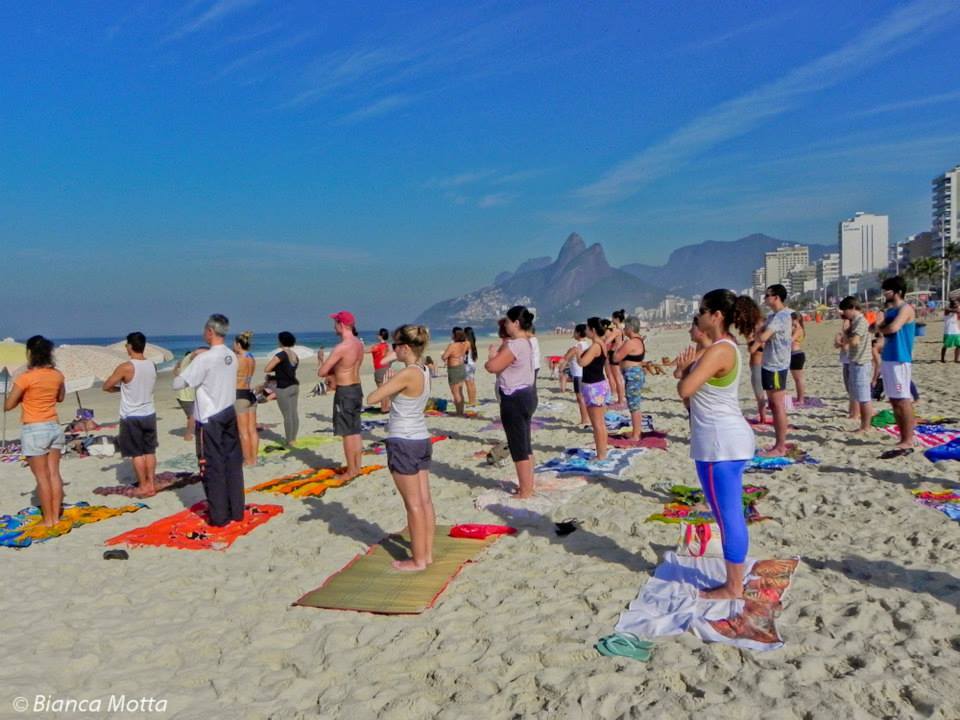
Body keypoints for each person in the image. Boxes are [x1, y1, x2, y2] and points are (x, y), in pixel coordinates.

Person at [675, 289, 762, 600]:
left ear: (717, 316)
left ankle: (733, 586)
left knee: (727, 517)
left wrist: (686, 372)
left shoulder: (720, 350)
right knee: (727, 514)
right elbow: (692, 401)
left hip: (720, 444)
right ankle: (734, 581)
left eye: (701, 311)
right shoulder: (722, 349)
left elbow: (685, 388)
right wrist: (686, 373)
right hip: (723, 440)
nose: (697, 316)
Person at [367, 324, 435, 571]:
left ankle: (418, 560)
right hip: (420, 438)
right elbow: (388, 360)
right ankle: (425, 554)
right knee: (424, 500)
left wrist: (388, 380)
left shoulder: (407, 374)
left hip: (403, 440)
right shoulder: (424, 368)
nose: (393, 350)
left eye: (397, 346)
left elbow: (373, 399)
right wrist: (396, 355)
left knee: (414, 504)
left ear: (406, 347)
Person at [172, 314, 245, 526]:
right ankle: (236, 510)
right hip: (228, 411)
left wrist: (190, 360)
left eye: (205, 330)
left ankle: (220, 516)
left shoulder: (205, 358)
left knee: (213, 466)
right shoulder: (231, 355)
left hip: (211, 417)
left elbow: (178, 383)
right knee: (232, 463)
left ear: (210, 332)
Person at [4, 336, 65, 527]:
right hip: (54, 425)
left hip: (34, 427)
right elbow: (60, 397)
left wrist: (24, 397)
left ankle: (48, 520)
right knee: (54, 474)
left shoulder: (26, 378)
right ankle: (55, 516)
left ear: (30, 353)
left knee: (42, 477)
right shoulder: (57, 375)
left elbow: (8, 405)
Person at [485, 306, 538, 498]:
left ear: (516, 323)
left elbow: (493, 367)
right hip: (527, 393)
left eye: (507, 321)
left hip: (515, 396)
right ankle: (528, 485)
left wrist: (491, 357)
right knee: (525, 442)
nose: (505, 325)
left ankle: (526, 490)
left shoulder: (516, 344)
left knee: (518, 446)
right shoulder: (528, 342)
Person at [103, 331, 158, 497]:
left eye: (127, 344)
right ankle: (151, 482)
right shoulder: (151, 365)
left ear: (130, 346)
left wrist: (121, 389)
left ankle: (143, 485)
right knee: (149, 451)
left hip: (132, 415)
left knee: (136, 453)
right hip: (149, 412)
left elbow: (106, 386)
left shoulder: (126, 367)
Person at [319, 311, 365, 480]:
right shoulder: (359, 344)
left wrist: (330, 370)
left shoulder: (342, 346)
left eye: (335, 323)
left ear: (341, 324)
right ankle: (356, 467)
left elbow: (322, 371)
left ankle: (351, 470)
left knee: (347, 432)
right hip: (356, 387)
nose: (333, 326)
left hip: (345, 390)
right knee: (355, 430)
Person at [877, 276, 917, 457]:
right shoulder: (890, 310)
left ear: (898, 292)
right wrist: (880, 325)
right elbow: (876, 328)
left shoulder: (906, 308)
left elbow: (892, 328)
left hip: (900, 359)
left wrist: (881, 328)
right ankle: (903, 437)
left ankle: (908, 439)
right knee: (894, 400)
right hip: (888, 358)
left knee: (903, 400)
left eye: (888, 290)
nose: (885, 293)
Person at [750, 284, 791, 456]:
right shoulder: (774, 316)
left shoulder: (780, 317)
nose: (765, 299)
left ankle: (780, 446)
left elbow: (762, 337)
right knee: (775, 405)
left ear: (776, 297)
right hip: (772, 363)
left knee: (776, 405)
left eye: (767, 296)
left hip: (775, 365)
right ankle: (779, 443)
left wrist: (757, 340)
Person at [839, 297, 874, 432]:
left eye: (845, 310)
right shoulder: (856, 321)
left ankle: (866, 426)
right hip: (855, 360)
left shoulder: (860, 321)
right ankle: (863, 424)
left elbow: (855, 341)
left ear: (853, 308)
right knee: (858, 394)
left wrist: (845, 340)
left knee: (864, 396)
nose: (845, 314)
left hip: (861, 362)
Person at [578, 317, 610, 461]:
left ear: (593, 330)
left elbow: (583, 363)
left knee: (597, 423)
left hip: (593, 386)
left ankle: (601, 454)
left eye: (587, 328)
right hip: (599, 384)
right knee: (600, 423)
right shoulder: (601, 344)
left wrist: (577, 353)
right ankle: (603, 452)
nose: (585, 331)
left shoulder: (596, 346)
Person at [614, 316, 647, 441]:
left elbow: (616, 357)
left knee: (634, 405)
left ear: (630, 327)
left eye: (625, 327)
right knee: (634, 404)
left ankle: (636, 434)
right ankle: (636, 431)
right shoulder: (638, 340)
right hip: (635, 374)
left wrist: (618, 345)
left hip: (633, 374)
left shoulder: (631, 342)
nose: (624, 329)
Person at [264, 332, 300, 445]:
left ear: (281, 341)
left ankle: (289, 440)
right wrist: (278, 372)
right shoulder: (294, 355)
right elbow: (287, 371)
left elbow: (267, 368)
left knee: (287, 415)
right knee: (293, 413)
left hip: (283, 387)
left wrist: (275, 371)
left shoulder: (281, 355)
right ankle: (293, 438)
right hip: (294, 385)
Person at [233, 331, 258, 466]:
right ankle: (254, 458)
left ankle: (247, 459)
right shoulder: (251, 358)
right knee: (252, 430)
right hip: (250, 393)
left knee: (243, 432)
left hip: (240, 394)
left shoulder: (237, 359)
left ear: (238, 344)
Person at [561, 324, 590, 426]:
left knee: (580, 398)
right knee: (585, 397)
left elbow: (565, 358)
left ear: (578, 333)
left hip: (578, 375)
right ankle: (587, 418)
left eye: (574, 332)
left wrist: (561, 369)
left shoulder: (576, 347)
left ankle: (585, 419)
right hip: (586, 374)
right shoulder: (587, 345)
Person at [442, 328, 470, 416]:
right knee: (460, 391)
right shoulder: (467, 343)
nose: (451, 335)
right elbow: (466, 352)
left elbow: (444, 357)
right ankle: (460, 411)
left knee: (455, 392)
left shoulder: (452, 345)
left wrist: (444, 354)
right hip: (462, 367)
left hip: (454, 369)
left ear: (455, 335)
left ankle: (459, 413)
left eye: (452, 334)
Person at [175, 350, 198, 441]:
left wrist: (177, 366)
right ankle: (188, 435)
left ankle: (192, 431)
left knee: (191, 416)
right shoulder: (187, 366)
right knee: (192, 416)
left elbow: (175, 374)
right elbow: (193, 355)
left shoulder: (184, 368)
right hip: (186, 397)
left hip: (183, 396)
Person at [605, 311, 626, 407]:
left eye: (613, 318)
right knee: (618, 377)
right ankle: (620, 399)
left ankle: (620, 400)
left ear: (616, 319)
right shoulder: (622, 329)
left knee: (617, 377)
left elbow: (607, 341)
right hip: (619, 352)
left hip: (615, 353)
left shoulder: (617, 330)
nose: (611, 320)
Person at [370, 329, 393, 413]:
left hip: (379, 369)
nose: (377, 336)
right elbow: (391, 358)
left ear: (380, 336)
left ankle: (384, 408)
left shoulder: (377, 346)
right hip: (388, 368)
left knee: (381, 390)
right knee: (386, 389)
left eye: (378, 334)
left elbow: (365, 350)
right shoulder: (389, 346)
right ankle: (387, 407)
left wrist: (360, 344)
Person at [748, 318, 766, 424]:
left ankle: (763, 418)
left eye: (757, 325)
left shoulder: (761, 339)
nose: (755, 326)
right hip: (755, 367)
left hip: (758, 367)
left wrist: (753, 340)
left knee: (760, 395)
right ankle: (762, 416)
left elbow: (752, 349)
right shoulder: (756, 337)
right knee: (759, 395)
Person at [789, 312, 806, 405]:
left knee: (799, 379)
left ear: (795, 319)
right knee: (798, 379)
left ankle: (801, 399)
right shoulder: (797, 328)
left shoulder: (798, 329)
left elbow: (790, 340)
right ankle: (800, 398)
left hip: (796, 354)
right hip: (795, 354)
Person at [464, 327, 479, 406]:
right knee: (472, 383)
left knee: (468, 384)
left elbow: (463, 353)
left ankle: (471, 401)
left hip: (467, 365)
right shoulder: (473, 342)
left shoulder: (466, 343)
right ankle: (473, 400)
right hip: (472, 364)